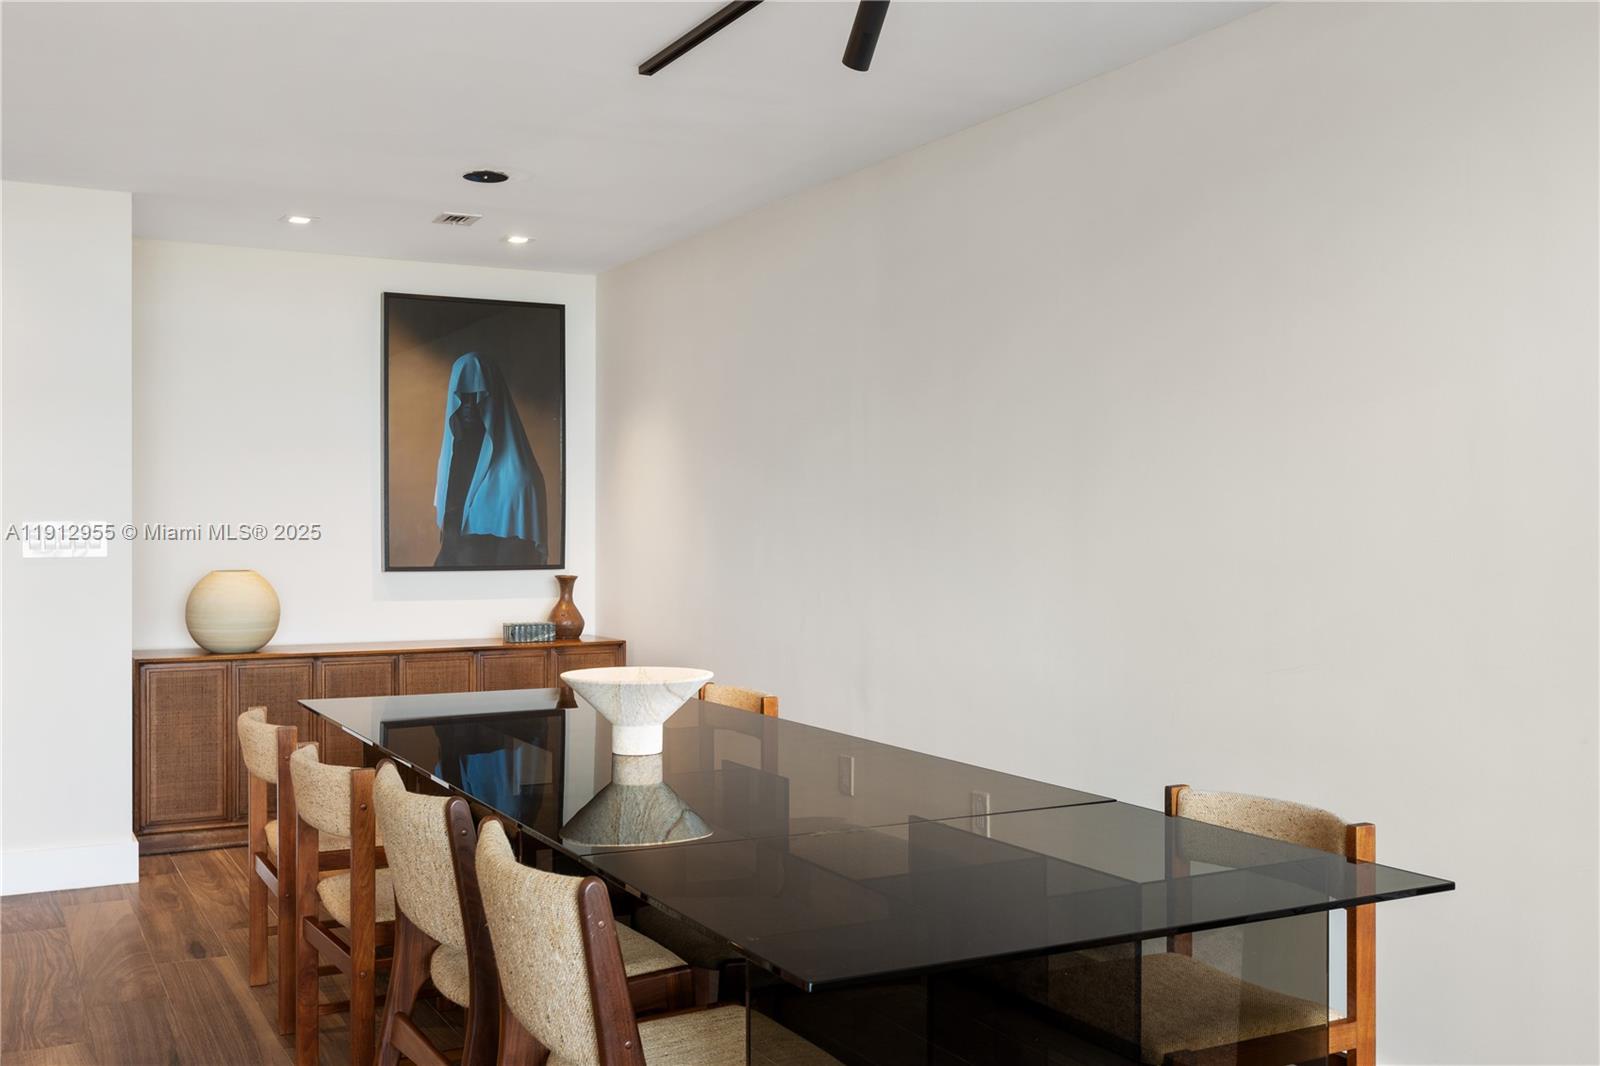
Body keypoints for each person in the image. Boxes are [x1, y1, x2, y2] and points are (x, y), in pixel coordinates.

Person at [433, 351, 546, 566]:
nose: (468, 405)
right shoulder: (447, 467)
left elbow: (516, 568)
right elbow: (447, 547)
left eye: (477, 396)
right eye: (462, 396)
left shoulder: (519, 480)